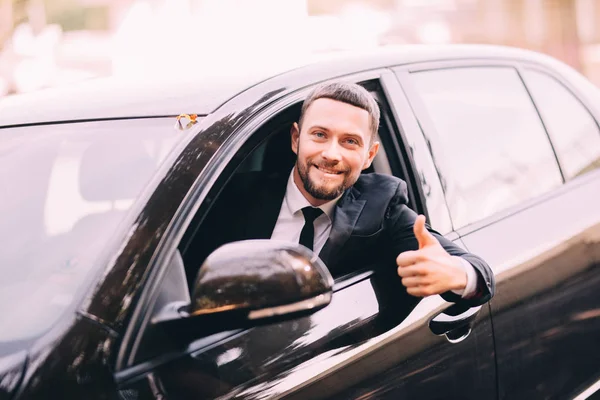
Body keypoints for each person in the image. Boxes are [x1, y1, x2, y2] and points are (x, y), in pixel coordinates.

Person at [192, 82, 494, 306]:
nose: (331, 154)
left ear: (368, 155)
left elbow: (478, 272)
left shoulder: (383, 205)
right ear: (297, 139)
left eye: (350, 141)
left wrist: (458, 275)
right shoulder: (232, 199)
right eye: (320, 135)